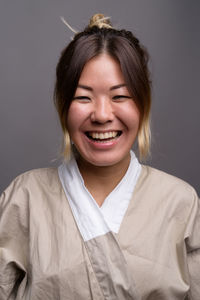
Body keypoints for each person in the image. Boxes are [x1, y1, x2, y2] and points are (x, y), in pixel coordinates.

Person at [0, 13, 199, 300]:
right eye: (83, 97)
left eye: (120, 97)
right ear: (63, 107)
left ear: (143, 104)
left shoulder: (182, 202)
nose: (102, 115)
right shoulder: (24, 197)